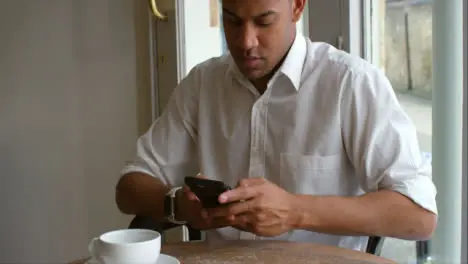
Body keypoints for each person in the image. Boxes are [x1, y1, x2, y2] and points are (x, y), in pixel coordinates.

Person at [115, 0, 437, 251]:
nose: (246, 42)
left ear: (297, 6)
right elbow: (129, 187)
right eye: (232, 20)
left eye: (263, 21)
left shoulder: (350, 83)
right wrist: (177, 204)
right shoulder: (203, 84)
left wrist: (297, 211)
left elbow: (420, 215)